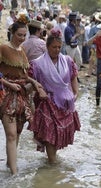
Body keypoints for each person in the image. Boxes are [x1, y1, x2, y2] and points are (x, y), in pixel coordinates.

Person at [28, 28, 81, 164]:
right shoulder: (37, 64)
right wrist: (38, 90)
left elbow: (73, 77)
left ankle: (51, 163)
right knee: (49, 136)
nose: (57, 50)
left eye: (59, 47)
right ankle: (53, 165)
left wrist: (75, 94)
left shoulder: (68, 61)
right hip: (47, 104)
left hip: (64, 104)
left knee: (57, 136)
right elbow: (30, 82)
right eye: (53, 47)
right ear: (47, 46)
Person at [0, 14, 43, 175]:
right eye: (19, 35)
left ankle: (10, 165)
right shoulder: (3, 48)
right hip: (6, 95)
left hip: (22, 95)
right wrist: (8, 83)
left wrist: (34, 82)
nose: (22, 38)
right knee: (11, 134)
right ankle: (14, 173)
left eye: (25, 35)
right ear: (12, 33)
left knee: (17, 133)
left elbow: (23, 75)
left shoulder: (22, 50)